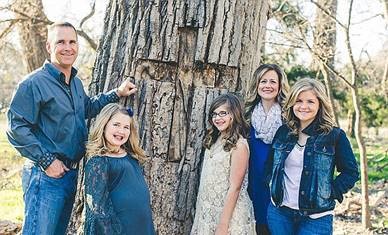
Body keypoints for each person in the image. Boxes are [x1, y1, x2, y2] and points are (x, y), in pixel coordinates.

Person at [6, 22, 137, 235]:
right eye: (61, 42)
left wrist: (117, 93)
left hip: (70, 174)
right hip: (45, 176)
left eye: (72, 42)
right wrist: (47, 161)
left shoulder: (74, 83)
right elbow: (16, 128)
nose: (68, 47)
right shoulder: (33, 83)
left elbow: (87, 107)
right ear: (49, 46)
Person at [266, 78, 359, 235]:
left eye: (310, 101)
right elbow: (270, 165)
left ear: (320, 104)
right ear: (292, 103)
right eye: (299, 101)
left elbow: (351, 173)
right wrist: (271, 184)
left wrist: (330, 192)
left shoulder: (334, 136)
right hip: (280, 213)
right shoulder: (283, 132)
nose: (303, 106)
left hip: (317, 217)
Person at [84, 103, 155, 235]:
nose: (121, 131)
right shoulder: (99, 162)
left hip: (142, 225)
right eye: (116, 125)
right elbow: (98, 208)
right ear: (104, 125)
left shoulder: (131, 157)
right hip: (121, 228)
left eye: (126, 127)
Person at [191, 93, 256, 235]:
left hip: (229, 216)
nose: (217, 118)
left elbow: (235, 187)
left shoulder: (239, 145)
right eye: (214, 114)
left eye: (223, 113)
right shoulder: (214, 140)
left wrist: (223, 224)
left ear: (235, 114)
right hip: (208, 211)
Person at [245, 64, 289, 235]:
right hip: (253, 183)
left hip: (279, 185)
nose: (267, 85)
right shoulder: (246, 115)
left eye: (273, 81)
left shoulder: (289, 117)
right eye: (263, 81)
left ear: (279, 86)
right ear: (256, 85)